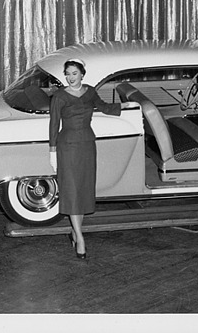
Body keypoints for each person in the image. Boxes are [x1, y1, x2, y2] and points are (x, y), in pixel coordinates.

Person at [49, 58, 132, 259]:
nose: (70, 77)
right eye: (67, 73)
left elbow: (103, 107)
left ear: (82, 74)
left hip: (87, 144)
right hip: (67, 146)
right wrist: (52, 151)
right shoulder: (59, 97)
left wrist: (127, 106)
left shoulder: (90, 92)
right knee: (72, 190)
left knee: (84, 189)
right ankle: (80, 237)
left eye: (74, 73)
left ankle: (74, 232)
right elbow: (53, 124)